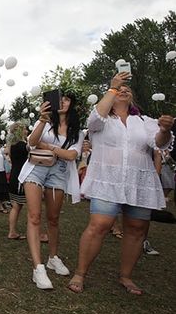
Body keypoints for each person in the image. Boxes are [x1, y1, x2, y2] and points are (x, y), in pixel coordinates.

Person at [68, 73, 173, 294]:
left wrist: (164, 130)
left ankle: (126, 276)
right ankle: (80, 273)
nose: (124, 90)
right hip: (108, 180)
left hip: (138, 181)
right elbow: (93, 119)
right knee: (100, 225)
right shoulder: (101, 121)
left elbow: (159, 144)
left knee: (136, 229)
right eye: (119, 89)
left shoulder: (144, 122)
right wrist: (112, 88)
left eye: (127, 89)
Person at [18, 91, 84, 290]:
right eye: (60, 98)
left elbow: (72, 155)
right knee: (34, 216)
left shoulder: (77, 132)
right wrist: (41, 120)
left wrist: (49, 146)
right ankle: (38, 268)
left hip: (59, 171)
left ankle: (53, 258)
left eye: (66, 98)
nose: (62, 101)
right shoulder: (45, 123)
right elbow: (31, 142)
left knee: (53, 218)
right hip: (36, 169)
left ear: (72, 104)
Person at [6, 122, 29, 240]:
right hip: (22, 177)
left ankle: (12, 231)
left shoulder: (12, 146)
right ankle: (35, 233)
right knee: (30, 206)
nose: (27, 131)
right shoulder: (23, 145)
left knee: (16, 206)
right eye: (25, 129)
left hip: (15, 175)